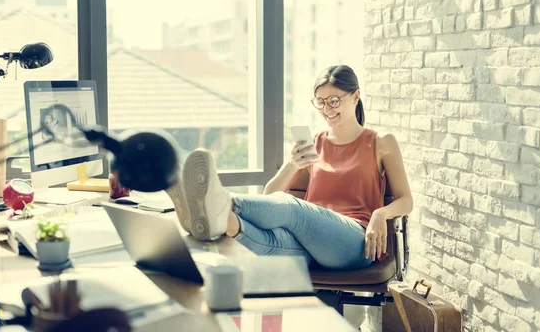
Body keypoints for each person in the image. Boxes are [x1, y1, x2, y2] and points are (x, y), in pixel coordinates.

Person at [167, 65, 413, 270]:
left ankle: (219, 202)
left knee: (295, 209)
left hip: (355, 242)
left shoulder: (381, 142)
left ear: (356, 96)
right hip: (308, 243)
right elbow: (269, 195)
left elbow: (406, 201)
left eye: (334, 101)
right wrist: (291, 164)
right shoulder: (314, 143)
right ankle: (218, 219)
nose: (327, 109)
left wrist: (381, 213)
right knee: (267, 241)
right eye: (321, 102)